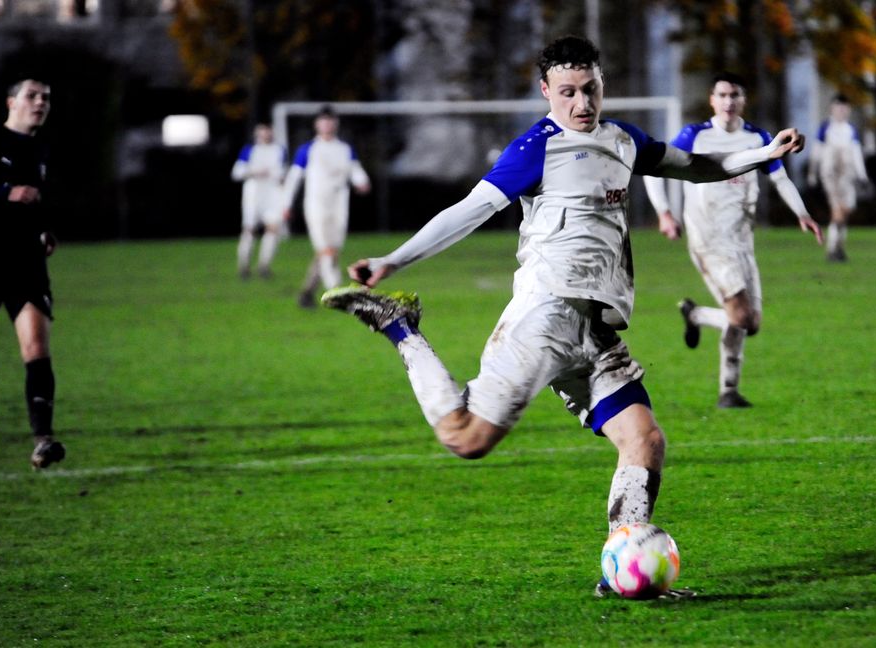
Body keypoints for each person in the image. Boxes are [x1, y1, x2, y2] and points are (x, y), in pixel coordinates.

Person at [320, 36, 809, 596]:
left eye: (591, 89)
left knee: (644, 441)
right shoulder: (536, 148)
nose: (582, 104)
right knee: (467, 438)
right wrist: (393, 260)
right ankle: (399, 327)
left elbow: (699, 167)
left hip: (597, 330)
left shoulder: (624, 139)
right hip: (546, 317)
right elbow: (467, 212)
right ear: (546, 91)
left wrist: (763, 155)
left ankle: (621, 564)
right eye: (569, 92)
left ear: (602, 85)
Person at [643, 72, 822, 409]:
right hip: (707, 239)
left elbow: (779, 177)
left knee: (750, 324)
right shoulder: (694, 136)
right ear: (712, 100)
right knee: (741, 317)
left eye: (734, 95)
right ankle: (713, 356)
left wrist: (802, 213)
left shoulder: (757, 138)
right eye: (722, 95)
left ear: (743, 100)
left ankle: (727, 387)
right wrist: (665, 213)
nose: (728, 102)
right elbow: (656, 170)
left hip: (741, 240)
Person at [0, 78, 64, 469]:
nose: (41, 102)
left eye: (46, 97)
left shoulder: (40, 149)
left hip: (26, 263)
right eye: (32, 95)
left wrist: (44, 229)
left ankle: (43, 439)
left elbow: (36, 201)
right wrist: (2, 193)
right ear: (12, 102)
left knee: (36, 348)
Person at [282, 106, 370, 308]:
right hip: (316, 205)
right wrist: (286, 204)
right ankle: (339, 293)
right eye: (323, 121)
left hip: (339, 205)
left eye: (330, 120)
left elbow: (355, 170)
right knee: (327, 251)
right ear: (317, 124)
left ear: (336, 123)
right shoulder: (308, 149)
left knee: (330, 252)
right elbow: (294, 178)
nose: (327, 124)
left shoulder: (345, 149)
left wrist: (362, 182)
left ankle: (307, 293)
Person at [807, 94, 869, 262]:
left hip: (847, 176)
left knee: (846, 210)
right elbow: (817, 151)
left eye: (844, 107)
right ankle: (833, 250)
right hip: (830, 174)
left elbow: (856, 153)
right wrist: (812, 173)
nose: (841, 111)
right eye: (838, 107)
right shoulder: (826, 128)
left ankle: (839, 247)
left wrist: (862, 175)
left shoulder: (850, 130)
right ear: (832, 109)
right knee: (838, 211)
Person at [232, 123, 287, 279]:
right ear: (256, 133)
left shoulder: (279, 150)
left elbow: (283, 171)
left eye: (268, 131)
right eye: (262, 131)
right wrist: (254, 171)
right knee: (249, 229)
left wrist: (277, 175)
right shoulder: (249, 150)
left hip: (273, 193)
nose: (265, 134)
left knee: (272, 229)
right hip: (253, 193)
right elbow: (237, 172)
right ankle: (244, 266)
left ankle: (264, 265)